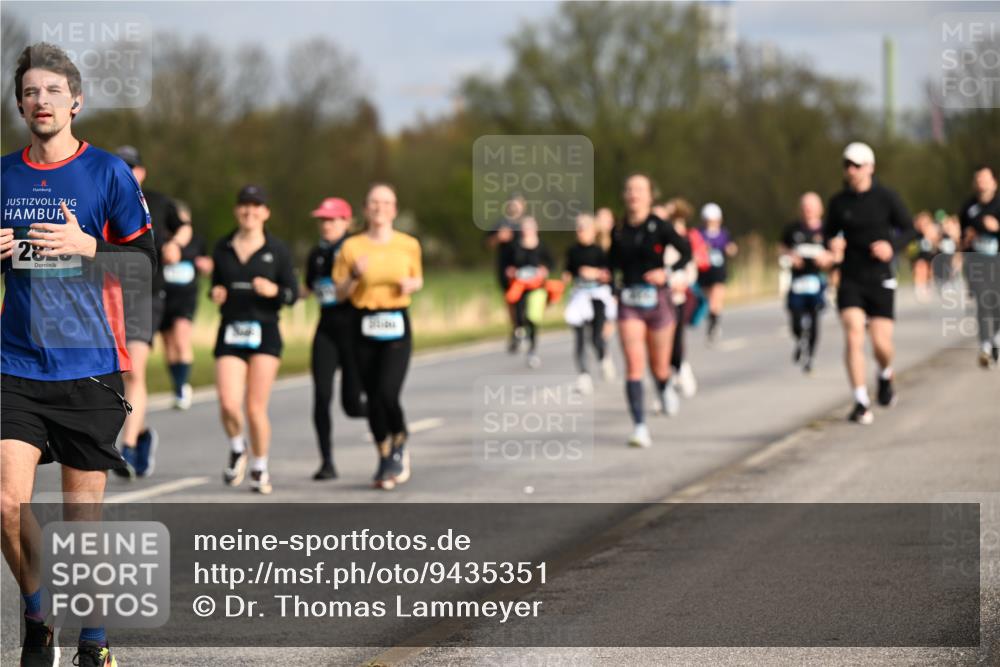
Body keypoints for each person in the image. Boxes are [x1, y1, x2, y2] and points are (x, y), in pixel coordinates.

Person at [2, 42, 155, 667]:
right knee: (7, 503)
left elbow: (148, 266)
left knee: (81, 520)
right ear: (19, 104)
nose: (42, 101)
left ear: (76, 101)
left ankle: (95, 639)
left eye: (53, 91)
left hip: (88, 366)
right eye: (31, 92)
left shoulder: (108, 174)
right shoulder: (3, 174)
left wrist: (88, 246)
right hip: (15, 364)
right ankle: (38, 619)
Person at [333, 183, 423, 490]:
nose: (380, 208)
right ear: (365, 208)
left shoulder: (408, 244)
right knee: (371, 398)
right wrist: (355, 275)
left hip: (396, 322)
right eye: (374, 202)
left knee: (388, 392)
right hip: (363, 322)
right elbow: (340, 293)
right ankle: (385, 456)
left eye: (386, 203)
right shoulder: (351, 247)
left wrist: (412, 285)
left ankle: (400, 438)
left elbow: (418, 278)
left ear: (394, 210)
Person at [212, 184, 297, 494]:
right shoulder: (222, 247)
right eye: (244, 205)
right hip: (232, 329)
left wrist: (274, 291)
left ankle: (260, 467)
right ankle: (238, 447)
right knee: (227, 403)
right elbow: (217, 286)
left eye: (256, 205)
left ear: (265, 212)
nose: (249, 211)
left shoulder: (278, 250)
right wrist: (216, 293)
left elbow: (292, 294)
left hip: (265, 332)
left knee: (254, 407)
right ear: (237, 210)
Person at [113, 145, 191, 479]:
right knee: (111, 377)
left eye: (133, 167)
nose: (129, 173)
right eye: (122, 167)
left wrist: (175, 243)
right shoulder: (101, 200)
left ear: (142, 172)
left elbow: (184, 226)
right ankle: (141, 433)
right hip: (106, 295)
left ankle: (127, 448)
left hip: (146, 294)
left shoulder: (158, 202)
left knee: (133, 371)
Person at [825, 142, 914, 424]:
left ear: (870, 168)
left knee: (880, 344)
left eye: (857, 165)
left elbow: (910, 229)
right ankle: (861, 400)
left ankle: (885, 374)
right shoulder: (838, 202)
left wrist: (891, 246)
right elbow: (829, 236)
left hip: (880, 277)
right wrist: (832, 246)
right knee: (853, 334)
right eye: (847, 165)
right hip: (850, 277)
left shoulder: (886, 197)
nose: (851, 170)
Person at [609, 174, 691, 447]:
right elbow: (612, 264)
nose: (634, 194)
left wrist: (666, 274)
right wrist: (609, 283)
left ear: (649, 196)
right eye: (629, 189)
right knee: (634, 365)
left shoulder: (660, 226)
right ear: (624, 195)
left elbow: (686, 252)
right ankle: (639, 427)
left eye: (639, 190)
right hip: (629, 302)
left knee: (659, 364)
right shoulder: (619, 229)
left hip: (658, 301)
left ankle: (664, 386)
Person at [303, 197, 367, 480]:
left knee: (352, 405)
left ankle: (385, 420)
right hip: (326, 330)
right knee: (321, 396)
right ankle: (327, 462)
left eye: (331, 220)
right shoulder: (315, 253)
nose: (325, 225)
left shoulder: (358, 251)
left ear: (346, 222)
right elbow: (307, 289)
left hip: (353, 332)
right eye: (322, 220)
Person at [159, 200, 212, 410]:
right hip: (163, 297)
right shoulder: (161, 241)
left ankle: (182, 387)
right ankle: (177, 384)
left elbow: (207, 263)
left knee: (181, 338)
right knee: (169, 345)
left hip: (186, 297)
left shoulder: (196, 241)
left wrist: (206, 265)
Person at [780, 192, 834, 374]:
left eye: (811, 207)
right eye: (805, 207)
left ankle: (809, 356)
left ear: (820, 210)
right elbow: (781, 250)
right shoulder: (792, 229)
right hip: (797, 282)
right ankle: (799, 340)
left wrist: (827, 259)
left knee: (814, 319)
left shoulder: (827, 231)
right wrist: (789, 257)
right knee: (795, 319)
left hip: (817, 282)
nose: (808, 211)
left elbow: (836, 254)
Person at [563, 213, 616, 393]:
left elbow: (608, 276)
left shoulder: (600, 251)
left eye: (584, 228)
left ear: (593, 231)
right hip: (579, 296)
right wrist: (565, 278)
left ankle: (603, 358)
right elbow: (568, 270)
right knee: (579, 338)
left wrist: (593, 273)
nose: (581, 232)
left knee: (595, 337)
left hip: (597, 297)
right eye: (578, 228)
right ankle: (583, 376)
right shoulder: (572, 251)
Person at [502, 216, 561, 369]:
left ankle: (532, 351)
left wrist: (544, 270)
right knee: (519, 315)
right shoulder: (515, 246)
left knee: (533, 318)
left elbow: (552, 263)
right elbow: (506, 264)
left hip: (537, 287)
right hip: (520, 286)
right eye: (524, 227)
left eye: (530, 227)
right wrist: (510, 271)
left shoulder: (541, 246)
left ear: (536, 229)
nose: (527, 230)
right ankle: (520, 334)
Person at [958, 165, 1000, 368]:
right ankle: (984, 345)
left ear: (994, 182)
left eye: (985, 178)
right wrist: (966, 240)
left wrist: (997, 228)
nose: (981, 182)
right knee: (984, 303)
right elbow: (961, 238)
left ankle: (996, 341)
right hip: (976, 263)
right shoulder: (968, 207)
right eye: (978, 179)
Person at [663, 198, 704, 397]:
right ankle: (670, 378)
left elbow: (691, 268)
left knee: (677, 337)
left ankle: (681, 370)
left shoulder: (686, 241)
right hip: (662, 295)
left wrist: (683, 284)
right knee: (663, 340)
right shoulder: (660, 243)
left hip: (680, 295)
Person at [484, 195, 524, 353]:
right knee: (511, 302)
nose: (515, 208)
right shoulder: (501, 225)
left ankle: (522, 328)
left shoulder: (526, 225)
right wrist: (498, 238)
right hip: (505, 271)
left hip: (524, 270)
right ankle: (517, 328)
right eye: (513, 205)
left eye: (518, 205)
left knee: (524, 301)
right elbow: (487, 243)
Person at [697, 202, 737, 343]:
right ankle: (713, 319)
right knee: (707, 301)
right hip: (703, 271)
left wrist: (729, 249)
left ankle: (713, 325)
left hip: (719, 271)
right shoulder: (699, 234)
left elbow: (732, 248)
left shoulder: (724, 234)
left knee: (716, 299)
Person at [909, 210, 937, 303]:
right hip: (920, 256)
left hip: (931, 255)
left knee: (930, 271)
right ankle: (919, 288)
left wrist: (928, 235)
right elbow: (911, 246)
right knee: (920, 268)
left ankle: (928, 286)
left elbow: (935, 243)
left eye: (925, 222)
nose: (923, 224)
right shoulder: (915, 233)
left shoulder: (931, 231)